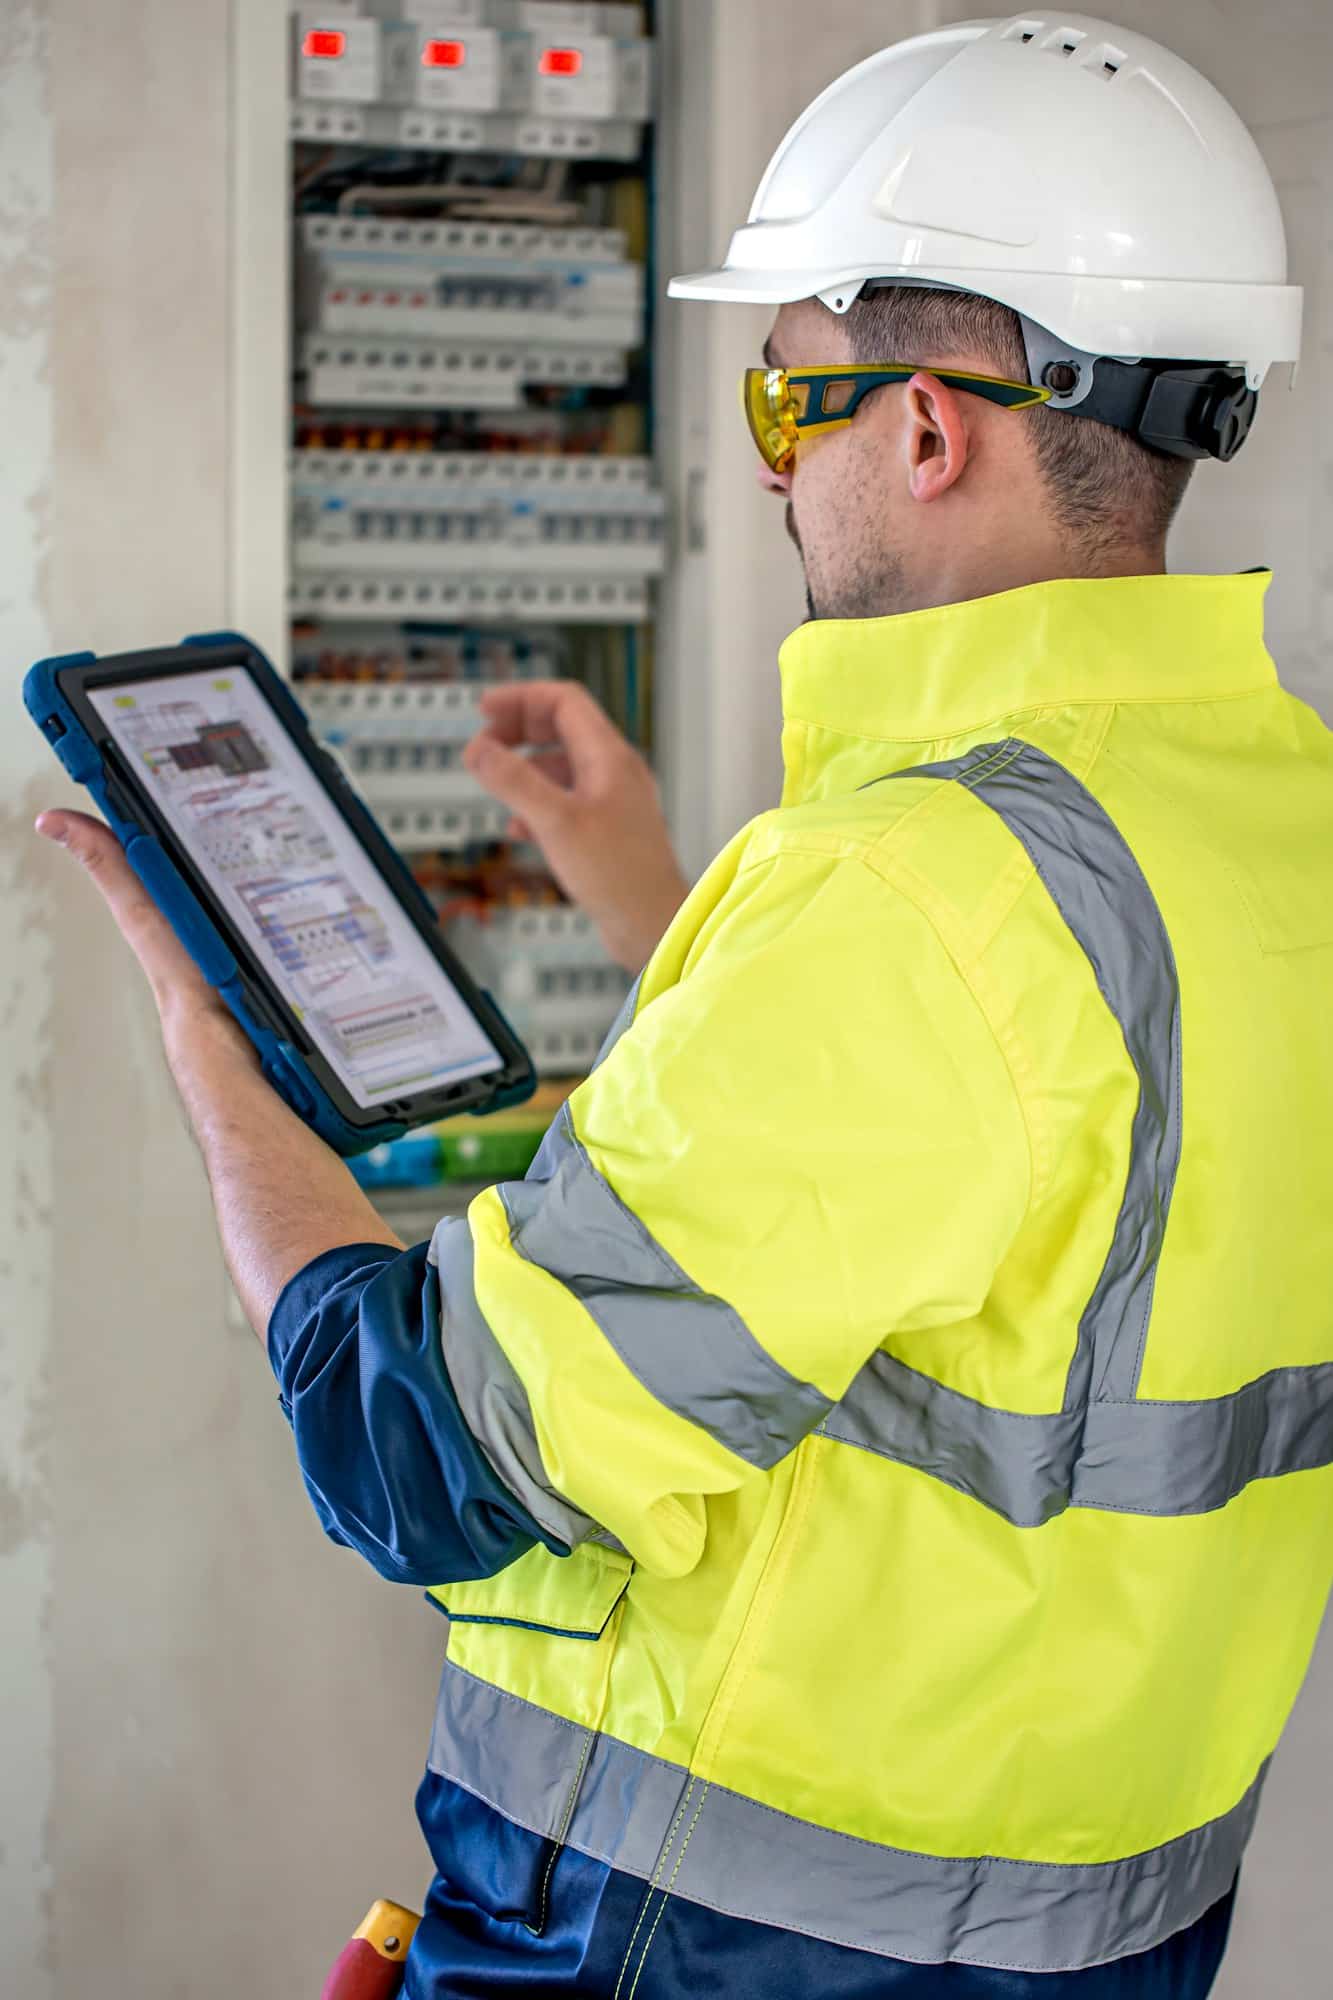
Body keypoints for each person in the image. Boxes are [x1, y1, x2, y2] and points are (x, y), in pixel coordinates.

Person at [37, 14, 1333, 1998]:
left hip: (716, 1940)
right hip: (1108, 1926)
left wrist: (213, 1030)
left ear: (924, 426)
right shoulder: (1273, 817)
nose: (778, 468)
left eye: (783, 403)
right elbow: (1034, 1188)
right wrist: (657, 894)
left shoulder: (903, 895)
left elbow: (425, 1456)